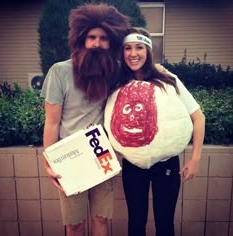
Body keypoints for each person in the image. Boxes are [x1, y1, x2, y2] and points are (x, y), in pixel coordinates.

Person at [104, 27, 205, 236]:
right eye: (128, 48)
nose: (133, 54)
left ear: (148, 50)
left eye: (139, 47)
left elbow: (198, 117)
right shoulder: (116, 84)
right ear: (122, 53)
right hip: (133, 165)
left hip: (166, 165)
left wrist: (195, 159)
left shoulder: (169, 80)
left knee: (165, 223)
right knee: (136, 223)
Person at [40, 3, 129, 236]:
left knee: (101, 220)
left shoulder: (116, 72)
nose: (97, 44)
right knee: (74, 224)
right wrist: (49, 162)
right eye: (91, 37)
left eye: (103, 38)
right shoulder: (59, 72)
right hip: (70, 159)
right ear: (81, 39)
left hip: (103, 155)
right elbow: (52, 122)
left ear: (111, 42)